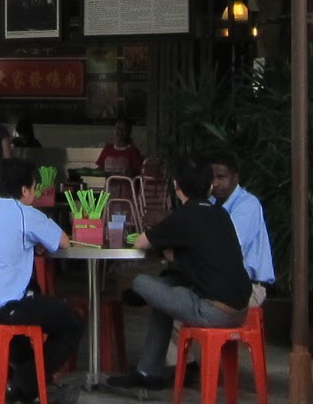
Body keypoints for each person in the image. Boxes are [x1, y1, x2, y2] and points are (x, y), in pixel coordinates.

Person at [107, 160, 250, 390]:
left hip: (212, 311)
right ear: (210, 187)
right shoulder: (220, 214)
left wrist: (166, 244)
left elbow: (142, 242)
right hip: (240, 311)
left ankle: (148, 369)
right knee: (165, 285)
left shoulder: (184, 217)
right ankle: (147, 371)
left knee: (141, 281)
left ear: (176, 186)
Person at [0, 157, 81, 404]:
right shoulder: (25, 213)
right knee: (71, 322)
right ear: (24, 190)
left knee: (30, 308)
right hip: (1, 308)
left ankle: (29, 384)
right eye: (34, 188)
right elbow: (63, 242)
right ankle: (25, 382)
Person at [208, 151, 275, 302]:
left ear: (235, 178)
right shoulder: (211, 203)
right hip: (223, 284)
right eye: (211, 178)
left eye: (221, 177)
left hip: (249, 289)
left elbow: (227, 248)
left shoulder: (248, 204)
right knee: (170, 298)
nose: (215, 183)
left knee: (184, 305)